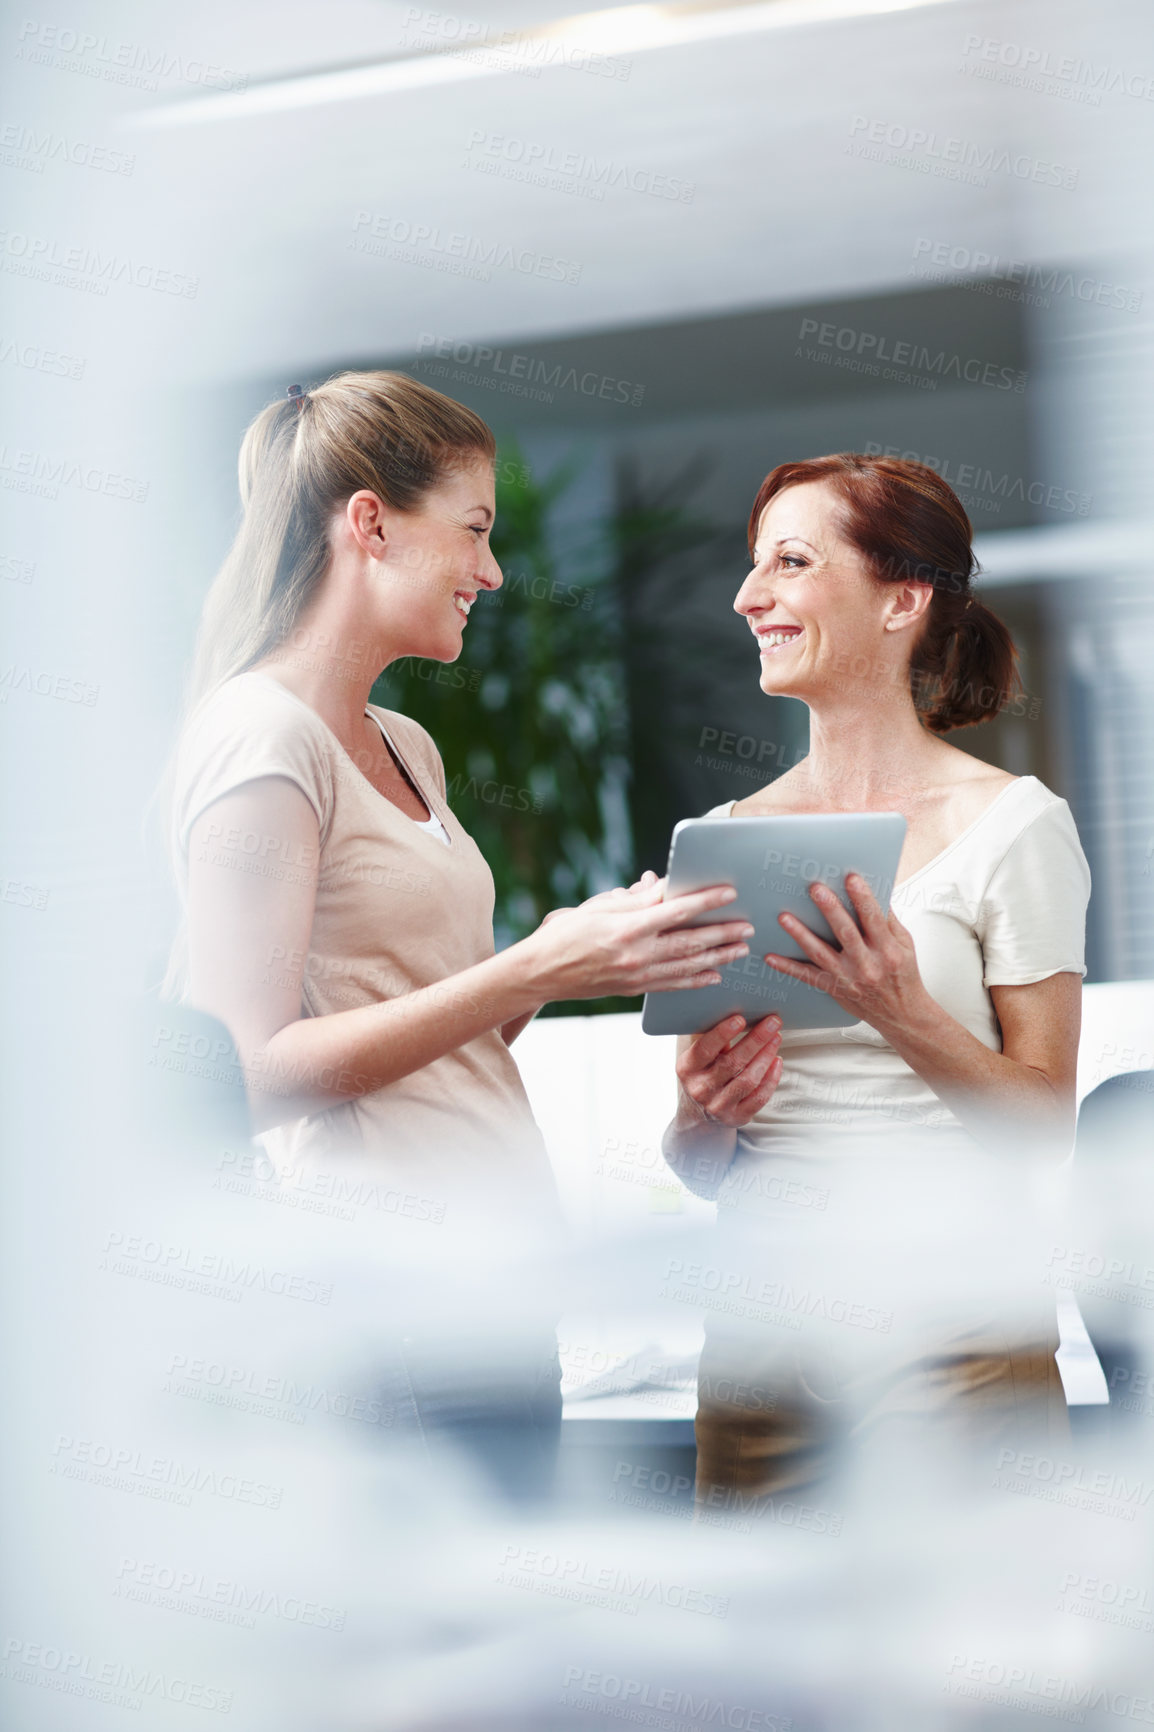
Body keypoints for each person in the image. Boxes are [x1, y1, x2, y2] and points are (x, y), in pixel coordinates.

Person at [161, 369, 753, 1499]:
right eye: (473, 531)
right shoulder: (259, 740)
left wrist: (577, 949)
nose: (491, 570)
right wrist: (533, 964)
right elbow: (252, 1072)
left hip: (494, 1288)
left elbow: (435, 1031)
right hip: (389, 1308)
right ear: (370, 524)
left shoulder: (404, 744)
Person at [660, 453, 1091, 1506]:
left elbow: (1041, 1128)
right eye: (750, 565)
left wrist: (898, 1011)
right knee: (772, 1665)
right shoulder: (725, 841)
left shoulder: (1009, 824)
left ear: (901, 598)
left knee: (971, 1662)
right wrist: (700, 1108)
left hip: (957, 1332)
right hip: (763, 1341)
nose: (747, 596)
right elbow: (700, 1164)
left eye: (789, 562)